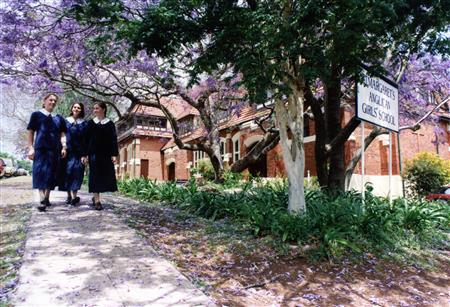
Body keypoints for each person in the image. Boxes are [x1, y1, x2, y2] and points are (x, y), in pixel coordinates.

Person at [27, 93, 67, 212]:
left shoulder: (59, 118)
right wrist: (30, 148)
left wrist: (64, 147)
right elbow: (30, 131)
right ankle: (42, 199)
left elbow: (63, 134)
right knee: (40, 173)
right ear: (44, 101)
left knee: (51, 174)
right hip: (40, 149)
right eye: (50, 100)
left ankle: (47, 198)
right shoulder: (36, 115)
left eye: (55, 101)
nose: (53, 102)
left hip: (54, 150)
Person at [83, 101, 118, 210]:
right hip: (93, 154)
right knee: (94, 176)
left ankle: (96, 197)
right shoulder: (90, 123)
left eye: (97, 108)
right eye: (94, 108)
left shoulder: (110, 123)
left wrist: (114, 154)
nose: (95, 110)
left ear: (103, 109)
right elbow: (86, 140)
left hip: (106, 155)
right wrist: (85, 154)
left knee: (104, 176)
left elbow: (113, 140)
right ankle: (97, 200)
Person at [61, 102, 87, 206]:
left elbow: (86, 140)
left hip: (79, 153)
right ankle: (69, 196)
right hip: (68, 152)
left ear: (81, 110)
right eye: (75, 107)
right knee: (67, 173)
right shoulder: (65, 121)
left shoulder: (84, 123)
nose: (76, 109)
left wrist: (85, 155)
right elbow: (62, 135)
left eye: (79, 108)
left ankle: (74, 197)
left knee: (77, 174)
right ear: (72, 108)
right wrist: (63, 147)